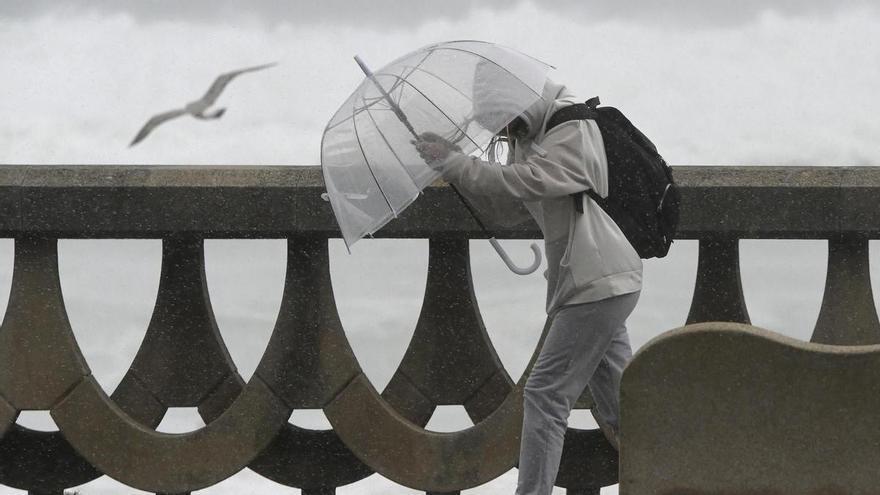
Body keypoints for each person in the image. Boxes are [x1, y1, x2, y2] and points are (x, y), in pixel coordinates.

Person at [413, 65, 642, 495]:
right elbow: (511, 197)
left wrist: (458, 165)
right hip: (596, 281)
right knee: (621, 409)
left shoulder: (572, 125)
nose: (504, 132)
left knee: (545, 395)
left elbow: (530, 181)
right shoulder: (536, 136)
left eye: (503, 121)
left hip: (598, 281)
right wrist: (453, 158)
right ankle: (675, 471)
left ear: (517, 104)